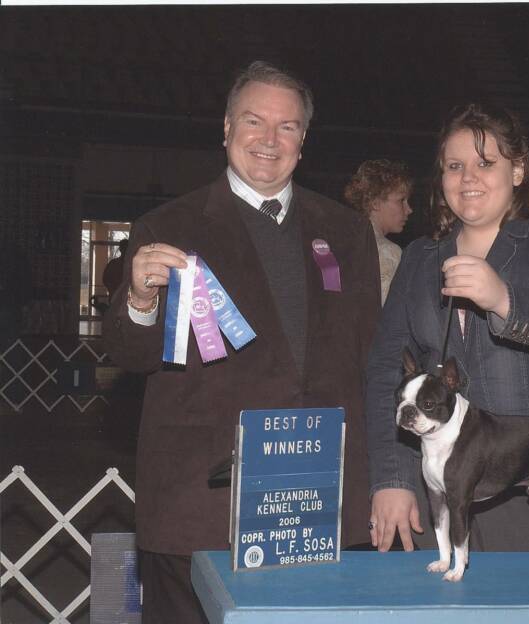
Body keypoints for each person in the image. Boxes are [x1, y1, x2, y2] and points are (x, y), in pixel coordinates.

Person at [103, 61, 380, 623]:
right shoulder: (167, 225)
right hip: (200, 502)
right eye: (254, 121)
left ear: (303, 140)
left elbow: (369, 360)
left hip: (318, 501)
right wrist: (140, 300)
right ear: (227, 128)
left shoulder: (348, 231)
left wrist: (385, 480)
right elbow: (129, 354)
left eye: (287, 126)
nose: (269, 139)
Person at [365, 103, 529, 554]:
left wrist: (505, 301)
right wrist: (392, 478)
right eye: (454, 166)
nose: (468, 178)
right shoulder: (419, 258)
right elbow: (385, 370)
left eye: (485, 163)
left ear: (517, 170)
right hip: (437, 486)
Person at [344, 159, 413, 304]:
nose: (409, 209)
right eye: (401, 200)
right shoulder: (389, 251)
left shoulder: (342, 241)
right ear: (375, 202)